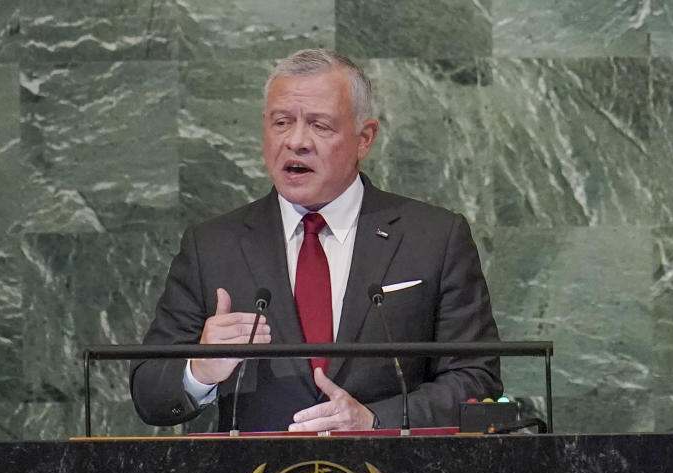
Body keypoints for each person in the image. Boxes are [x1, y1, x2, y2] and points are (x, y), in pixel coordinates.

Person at [131, 49, 502, 432]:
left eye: (320, 126)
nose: (296, 141)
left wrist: (376, 420)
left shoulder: (434, 237)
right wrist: (201, 369)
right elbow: (149, 393)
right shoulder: (212, 246)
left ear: (364, 139)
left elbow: (476, 381)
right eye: (281, 122)